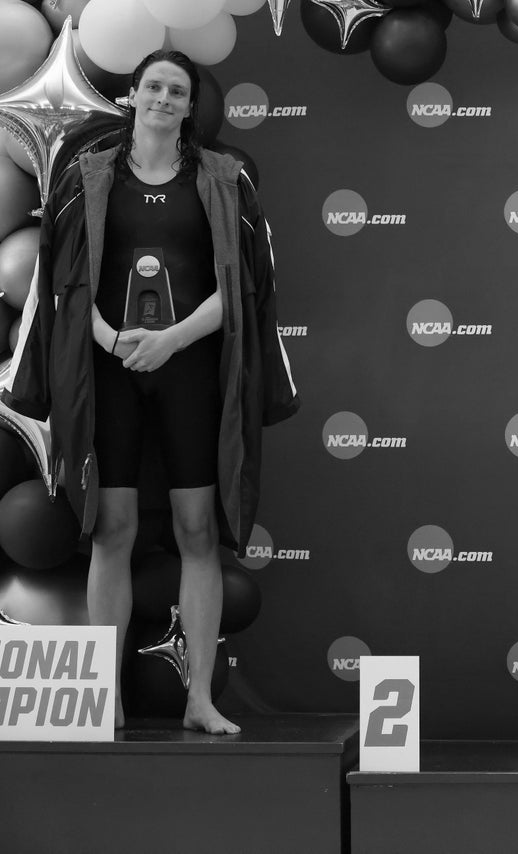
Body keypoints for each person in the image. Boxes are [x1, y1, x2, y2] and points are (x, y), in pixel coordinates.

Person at [3, 50, 299, 734]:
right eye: (154, 87)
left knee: (199, 532)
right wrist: (108, 339)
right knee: (112, 531)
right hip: (108, 373)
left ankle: (199, 698)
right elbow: (62, 281)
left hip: (190, 371)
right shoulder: (89, 175)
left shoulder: (225, 180)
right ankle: (101, 696)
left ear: (191, 106)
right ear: (132, 96)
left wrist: (171, 340)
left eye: (178, 90)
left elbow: (245, 291)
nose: (164, 98)